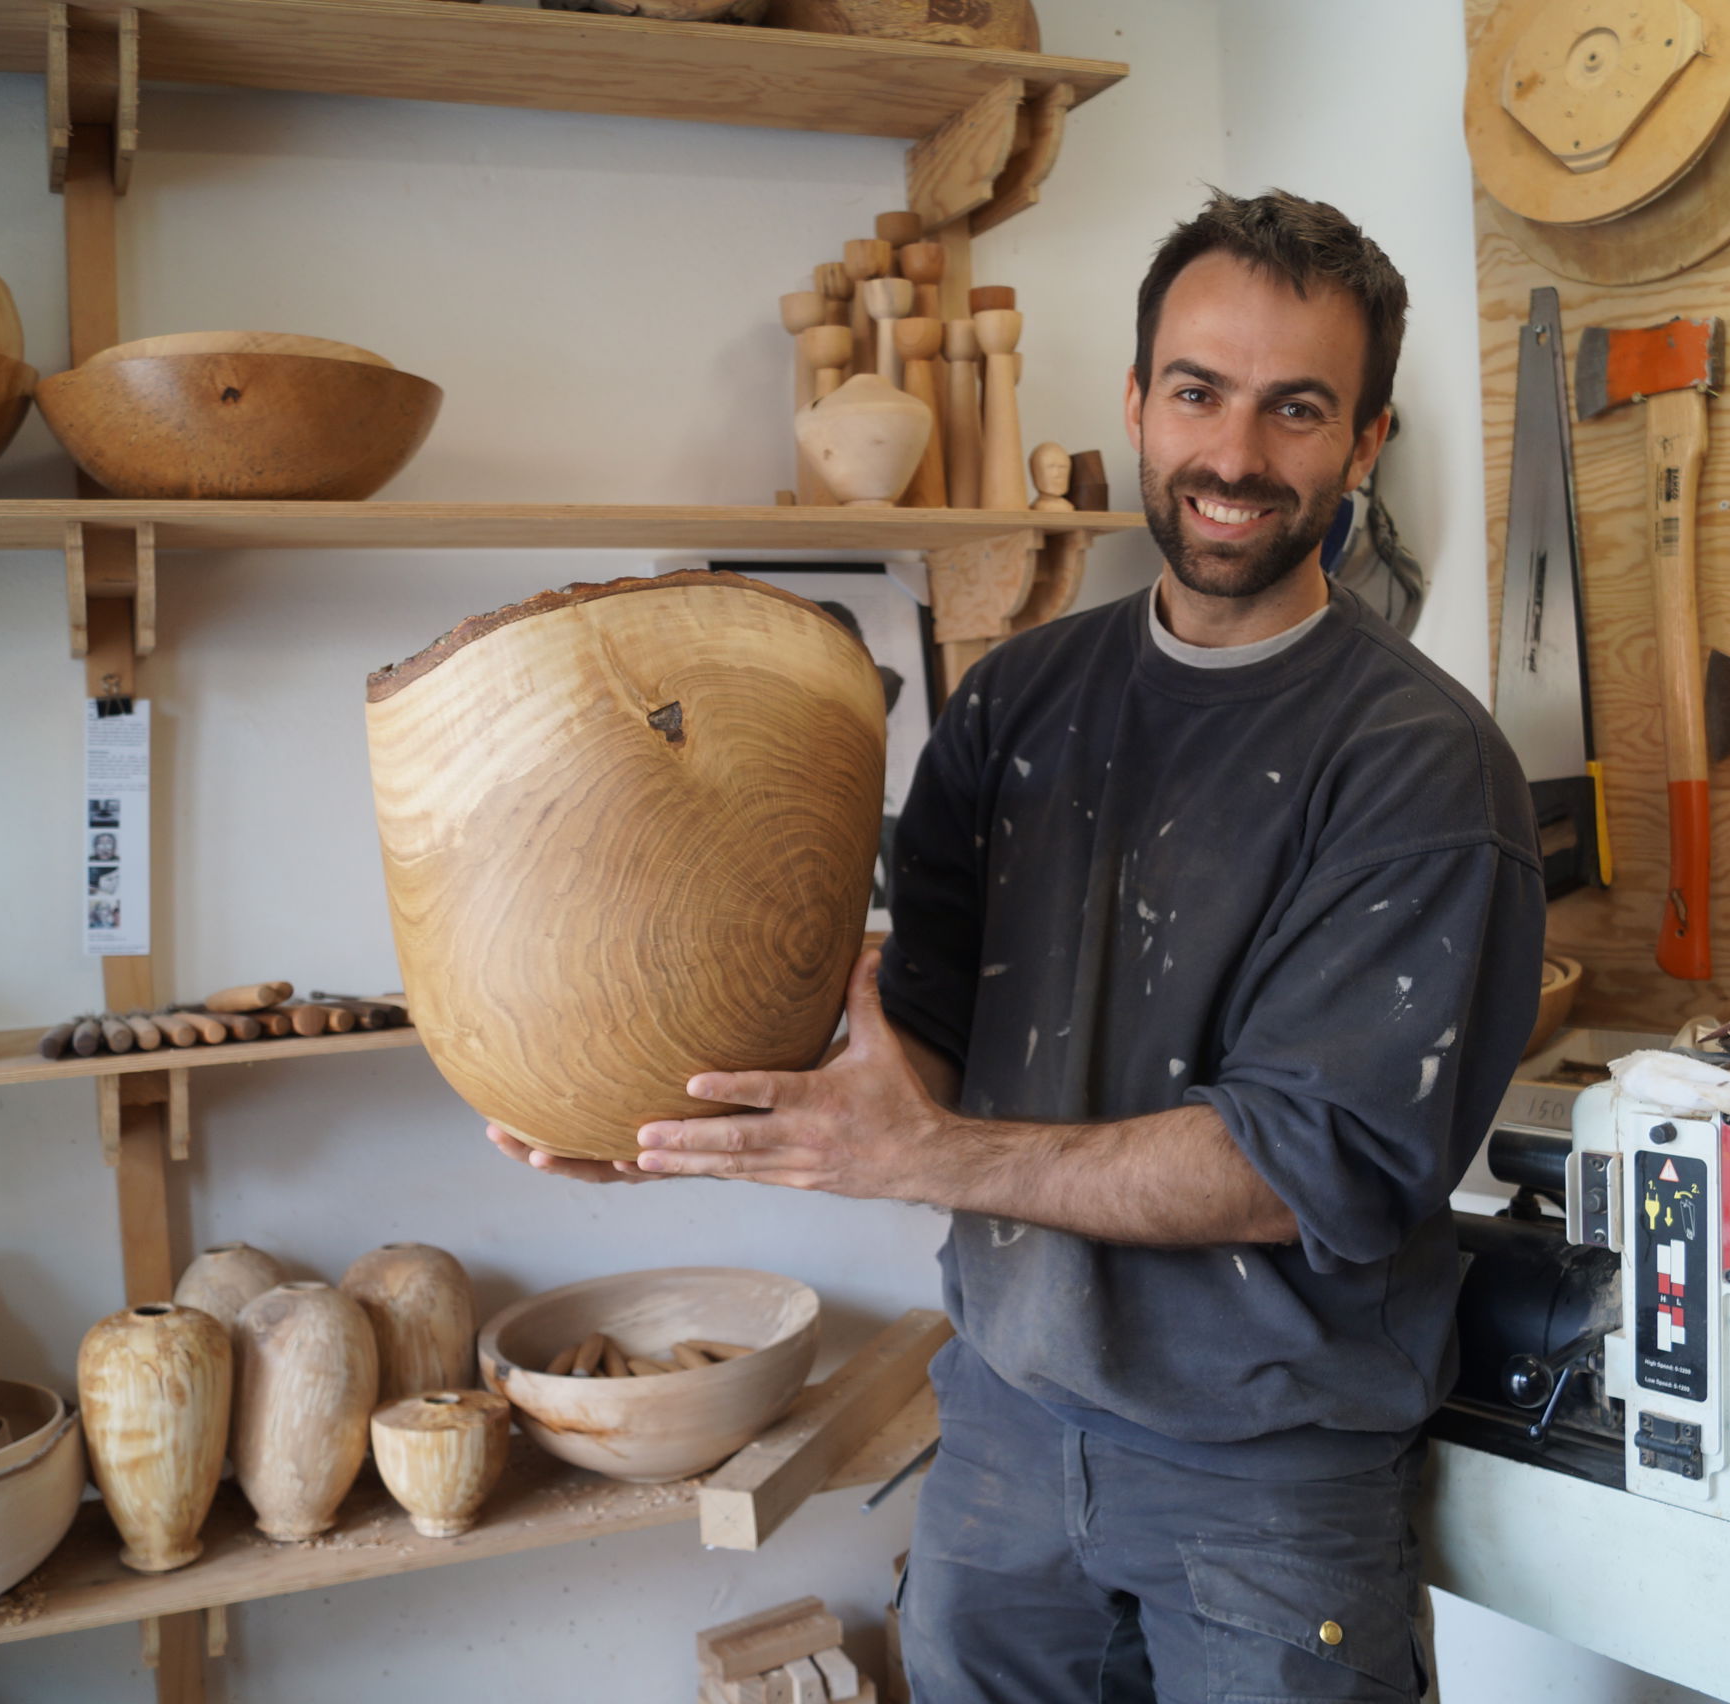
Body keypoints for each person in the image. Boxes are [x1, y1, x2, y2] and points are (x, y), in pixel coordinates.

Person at [491, 189, 1545, 1701]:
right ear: (1134, 402)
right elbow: (917, 1037)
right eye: (1197, 392)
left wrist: (920, 1158)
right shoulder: (1016, 705)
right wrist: (661, 1115)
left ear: (1365, 442)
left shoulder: (1416, 765)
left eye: (1295, 409)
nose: (1235, 455)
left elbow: (1295, 1166)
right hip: (1004, 1419)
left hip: (1263, 1472)